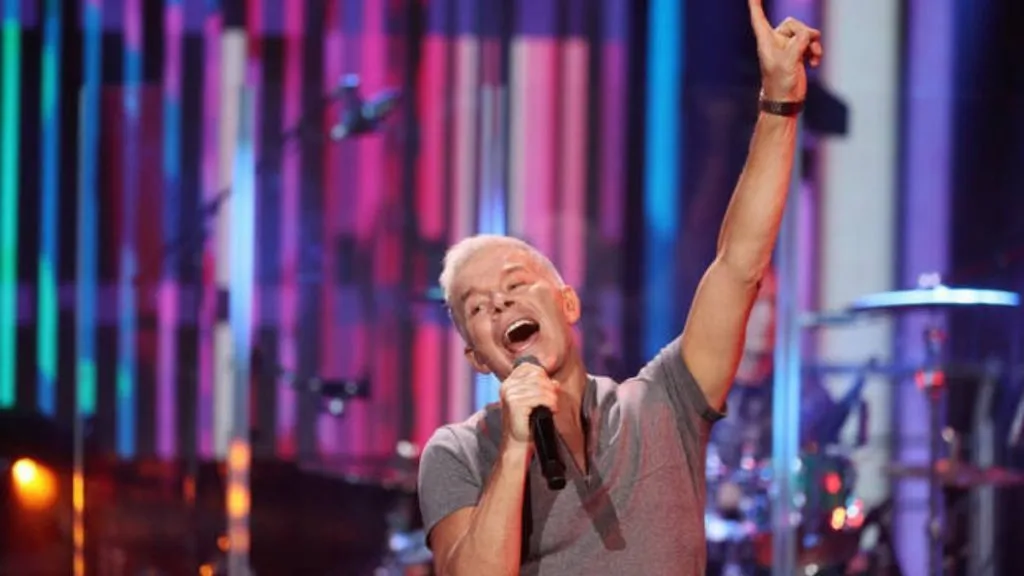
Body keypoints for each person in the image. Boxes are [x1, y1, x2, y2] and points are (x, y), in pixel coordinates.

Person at [416, 1, 823, 573]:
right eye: (478, 307)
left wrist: (780, 103)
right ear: (477, 357)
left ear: (568, 302)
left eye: (516, 283)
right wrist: (514, 448)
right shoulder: (457, 452)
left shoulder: (663, 404)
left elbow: (739, 266)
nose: (501, 302)